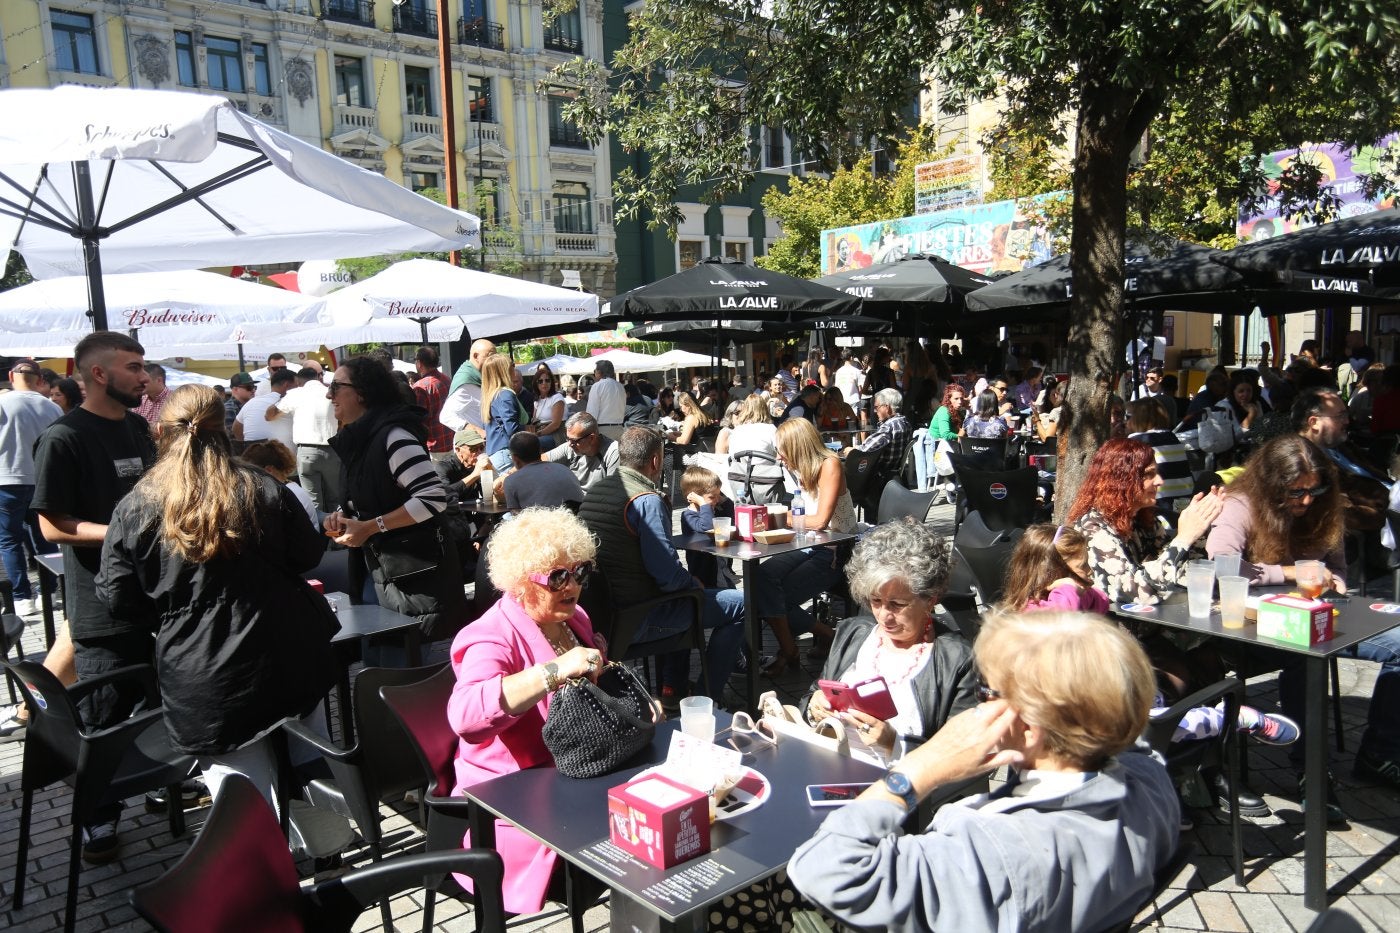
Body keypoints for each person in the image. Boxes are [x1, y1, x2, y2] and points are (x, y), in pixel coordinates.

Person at [788, 610, 1180, 932]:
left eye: (986, 693)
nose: (979, 707)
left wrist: (922, 765)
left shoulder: (985, 849)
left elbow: (821, 867)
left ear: (1028, 727)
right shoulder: (1151, 781)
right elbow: (1130, 736)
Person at [96, 385, 338, 809]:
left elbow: (119, 596)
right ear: (222, 428)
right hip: (284, 646)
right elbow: (308, 553)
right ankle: (324, 853)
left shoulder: (136, 507)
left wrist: (173, 612)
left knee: (241, 788)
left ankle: (269, 865)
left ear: (160, 432)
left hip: (206, 664)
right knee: (308, 758)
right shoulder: (259, 485)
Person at [24, 332, 158, 859]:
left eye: (143, 366)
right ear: (98, 374)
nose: (143, 376)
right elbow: (52, 526)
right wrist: (124, 531)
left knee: (160, 699)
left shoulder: (138, 427)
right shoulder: (64, 437)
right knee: (106, 714)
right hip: (101, 606)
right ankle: (96, 816)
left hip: (155, 596)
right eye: (133, 367)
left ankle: (161, 782)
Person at [1208, 433, 1400, 794]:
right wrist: (1291, 572)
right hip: (1258, 625)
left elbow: (1338, 567)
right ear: (1269, 485)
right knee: (1303, 656)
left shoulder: (1323, 509)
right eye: (1295, 492)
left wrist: (1336, 583)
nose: (1306, 500)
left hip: (1319, 614)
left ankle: (1379, 752)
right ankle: (1310, 768)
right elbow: (1223, 567)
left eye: (1313, 490)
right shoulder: (1241, 504)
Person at [447, 507, 610, 915]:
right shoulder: (490, 636)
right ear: (521, 583)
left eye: (579, 572)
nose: (572, 584)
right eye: (558, 576)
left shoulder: (574, 619)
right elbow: (466, 716)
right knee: (634, 848)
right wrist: (555, 670)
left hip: (579, 774)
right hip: (516, 798)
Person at [577, 427, 745, 701]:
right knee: (740, 604)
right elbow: (667, 574)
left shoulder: (596, 491)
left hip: (601, 617)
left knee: (684, 598)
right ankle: (707, 698)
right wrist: (694, 583)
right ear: (656, 461)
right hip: (636, 618)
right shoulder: (647, 500)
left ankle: (674, 688)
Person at [801, 519, 977, 765]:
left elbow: (965, 754)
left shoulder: (958, 660)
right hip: (829, 765)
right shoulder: (853, 634)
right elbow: (814, 694)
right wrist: (813, 706)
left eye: (897, 604)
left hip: (903, 788)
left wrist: (894, 743)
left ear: (930, 599)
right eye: (875, 601)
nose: (884, 616)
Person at [324, 356, 468, 638]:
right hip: (380, 571)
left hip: (416, 578)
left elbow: (432, 498)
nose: (329, 394)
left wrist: (369, 527)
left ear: (362, 392)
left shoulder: (394, 436)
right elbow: (368, 495)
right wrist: (344, 515)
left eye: (336, 386)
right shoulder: (360, 440)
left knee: (406, 668)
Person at [755, 419, 858, 676]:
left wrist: (778, 515)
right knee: (760, 579)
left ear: (798, 447)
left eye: (782, 450)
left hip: (836, 550)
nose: (779, 457)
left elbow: (820, 521)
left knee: (773, 599)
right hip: (810, 545)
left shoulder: (830, 465)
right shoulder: (804, 470)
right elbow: (805, 520)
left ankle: (799, 647)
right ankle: (818, 637)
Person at [0, 360, 62, 615]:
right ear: (39, 379)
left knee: (9, 541)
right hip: (42, 479)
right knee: (44, 537)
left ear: (12, 376)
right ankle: (48, 592)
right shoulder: (52, 407)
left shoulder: (3, 403)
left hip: (8, 478)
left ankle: (22, 597)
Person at [267, 366, 343, 514]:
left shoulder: (296, 394)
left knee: (313, 502)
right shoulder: (330, 393)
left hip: (307, 452)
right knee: (335, 499)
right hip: (333, 450)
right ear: (318, 378)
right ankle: (338, 533)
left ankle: (318, 533)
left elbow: (270, 415)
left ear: (299, 381)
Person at [1126, 398, 1193, 504]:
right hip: (1184, 499)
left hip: (1156, 503)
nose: (1126, 421)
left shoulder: (1135, 441)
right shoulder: (1172, 438)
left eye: (1128, 416)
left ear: (1137, 418)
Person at [678, 466, 735, 589]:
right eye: (712, 497)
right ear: (693, 497)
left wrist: (718, 498)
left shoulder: (713, 510)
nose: (717, 500)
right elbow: (707, 526)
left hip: (720, 567)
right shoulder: (688, 516)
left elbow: (730, 511)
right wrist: (704, 504)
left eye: (718, 495)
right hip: (703, 572)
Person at [242, 439, 319, 528]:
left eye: (251, 473)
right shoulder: (288, 489)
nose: (247, 478)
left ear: (269, 470)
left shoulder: (287, 494)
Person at [503, 431, 584, 511]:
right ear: (540, 451)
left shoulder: (511, 481)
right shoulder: (565, 470)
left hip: (547, 522)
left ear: (514, 458)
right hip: (578, 521)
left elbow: (517, 517)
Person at [846, 387, 911, 482]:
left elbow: (864, 450)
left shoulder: (889, 427)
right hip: (895, 472)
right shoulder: (905, 423)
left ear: (887, 407)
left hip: (879, 476)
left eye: (877, 407)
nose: (875, 411)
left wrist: (851, 450)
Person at [545, 412, 620, 492]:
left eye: (574, 440)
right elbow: (539, 460)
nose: (570, 444)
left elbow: (613, 491)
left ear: (592, 438)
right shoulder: (570, 446)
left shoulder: (613, 452)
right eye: (568, 438)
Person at [480, 353, 528, 472]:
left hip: (495, 453)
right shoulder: (505, 394)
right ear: (504, 370)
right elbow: (512, 429)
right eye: (512, 365)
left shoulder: (490, 395)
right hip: (507, 453)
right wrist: (527, 428)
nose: (514, 368)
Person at [442, 337, 497, 432]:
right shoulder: (466, 381)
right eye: (490, 356)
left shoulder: (482, 377)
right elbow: (446, 416)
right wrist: (476, 430)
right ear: (476, 356)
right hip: (478, 444)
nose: (494, 361)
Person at [235, 368, 296, 449]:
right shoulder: (292, 402)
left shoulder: (251, 402)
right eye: (297, 385)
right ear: (287, 385)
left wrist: (245, 447)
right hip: (283, 459)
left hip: (251, 457)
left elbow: (236, 427)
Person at [411, 345, 453, 457]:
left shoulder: (420, 387)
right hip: (453, 442)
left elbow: (419, 421)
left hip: (434, 448)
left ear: (419, 363)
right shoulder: (447, 380)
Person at [585, 358, 626, 435]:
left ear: (599, 372)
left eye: (595, 371)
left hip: (603, 430)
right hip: (619, 428)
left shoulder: (597, 386)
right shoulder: (620, 386)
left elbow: (592, 412)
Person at [530, 365, 567, 447]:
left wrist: (538, 434)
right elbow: (534, 421)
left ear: (551, 382)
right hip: (541, 432)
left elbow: (555, 424)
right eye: (540, 381)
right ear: (536, 384)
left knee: (532, 444)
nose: (544, 383)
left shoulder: (557, 398)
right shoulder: (537, 400)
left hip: (556, 435)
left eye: (547, 380)